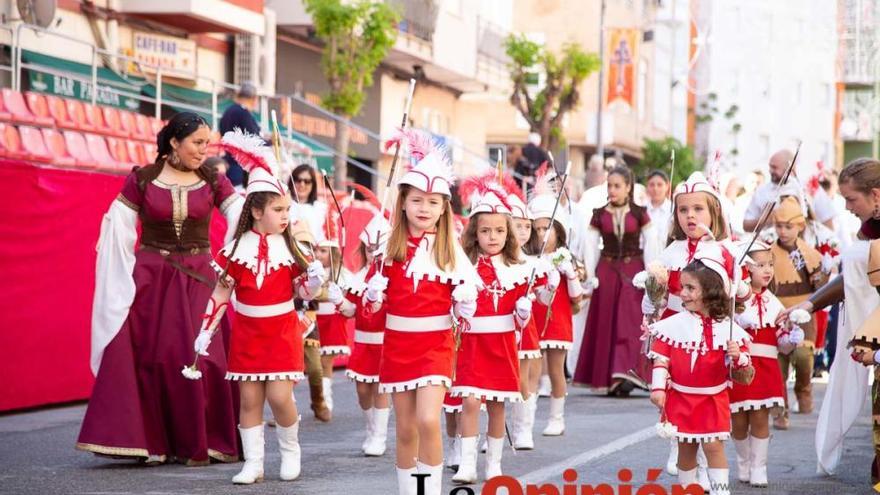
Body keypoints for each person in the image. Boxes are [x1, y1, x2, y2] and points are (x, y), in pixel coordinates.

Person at [77, 112, 244, 465]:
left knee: (206, 358)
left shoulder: (213, 180)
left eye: (206, 143)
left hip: (200, 277)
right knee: (157, 359)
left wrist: (231, 258)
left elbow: (241, 213)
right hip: (153, 278)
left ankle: (204, 439)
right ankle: (154, 442)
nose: (204, 150)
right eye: (197, 143)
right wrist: (123, 273)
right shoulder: (143, 179)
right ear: (174, 142)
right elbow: (118, 225)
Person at [187, 135, 325, 483]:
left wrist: (315, 278)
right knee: (249, 400)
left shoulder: (292, 250)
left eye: (287, 210)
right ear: (257, 211)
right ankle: (254, 463)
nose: (285, 216)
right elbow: (221, 292)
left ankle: (291, 451)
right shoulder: (236, 250)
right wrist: (206, 330)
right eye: (279, 210)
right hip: (249, 335)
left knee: (280, 397)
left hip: (280, 332)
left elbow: (305, 292)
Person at [365, 128, 480, 495]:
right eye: (417, 201)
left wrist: (464, 299)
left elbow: (468, 308)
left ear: (444, 207)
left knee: (430, 419)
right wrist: (373, 293)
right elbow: (369, 308)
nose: (424, 208)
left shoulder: (451, 252)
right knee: (406, 428)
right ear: (402, 202)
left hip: (435, 344)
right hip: (398, 345)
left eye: (433, 202)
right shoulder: (387, 248)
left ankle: (427, 492)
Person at [778, 158, 880, 481]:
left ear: (875, 195)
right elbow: (853, 275)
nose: (847, 208)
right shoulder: (871, 228)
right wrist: (809, 304)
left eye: (852, 199)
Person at [648, 248, 754, 495]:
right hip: (682, 398)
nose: (682, 293)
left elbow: (744, 371)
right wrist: (657, 389)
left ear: (710, 292)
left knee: (714, 447)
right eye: (682, 287)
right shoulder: (671, 326)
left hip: (713, 399)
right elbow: (661, 360)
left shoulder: (730, 331)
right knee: (686, 449)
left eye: (690, 288)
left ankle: (720, 491)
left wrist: (737, 357)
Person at [451, 176, 533, 483]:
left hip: (501, 344)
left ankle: (494, 464)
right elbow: (453, 311)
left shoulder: (519, 269)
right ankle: (468, 463)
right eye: (485, 231)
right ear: (475, 233)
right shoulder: (463, 267)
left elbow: (521, 321)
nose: (492, 236)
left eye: (499, 230)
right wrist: (460, 306)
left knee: (498, 405)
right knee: (470, 402)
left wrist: (522, 312)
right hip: (472, 344)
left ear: (508, 233)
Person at [574, 166, 659, 395]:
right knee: (606, 321)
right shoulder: (599, 213)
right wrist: (591, 276)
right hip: (608, 270)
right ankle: (610, 378)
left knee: (630, 323)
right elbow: (590, 247)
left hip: (634, 270)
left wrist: (652, 275)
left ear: (628, 187)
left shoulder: (640, 212)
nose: (612, 190)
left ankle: (628, 373)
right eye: (609, 185)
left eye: (617, 185)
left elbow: (651, 243)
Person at [527, 170, 585, 437]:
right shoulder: (528, 259)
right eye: (537, 229)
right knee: (533, 372)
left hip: (559, 319)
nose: (541, 234)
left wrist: (568, 273)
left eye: (546, 228)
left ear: (558, 229)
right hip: (533, 320)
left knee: (555, 370)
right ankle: (525, 421)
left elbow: (576, 296)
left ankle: (557, 417)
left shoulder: (565, 257)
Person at [730, 240, 790, 487]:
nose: (767, 270)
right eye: (761, 265)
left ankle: (759, 467)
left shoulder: (774, 302)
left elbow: (783, 343)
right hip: (741, 367)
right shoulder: (734, 302)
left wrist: (790, 336)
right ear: (745, 268)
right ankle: (743, 462)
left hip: (766, 368)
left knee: (760, 418)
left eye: (770, 265)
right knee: (739, 421)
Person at [768, 196, 828, 429]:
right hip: (777, 314)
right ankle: (780, 409)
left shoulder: (809, 254)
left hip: (803, 314)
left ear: (800, 226)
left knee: (803, 358)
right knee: (778, 365)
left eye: (788, 226)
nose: (782, 231)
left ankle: (804, 389)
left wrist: (821, 277)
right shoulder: (768, 253)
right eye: (779, 226)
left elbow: (821, 288)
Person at [286, 163, 332, 421]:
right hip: (284, 316)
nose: (302, 185)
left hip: (308, 319)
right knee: (285, 372)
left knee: (314, 368)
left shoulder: (316, 263)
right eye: (298, 180)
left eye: (307, 181)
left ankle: (318, 402)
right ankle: (286, 409)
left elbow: (323, 291)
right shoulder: (283, 259)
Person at [345, 212, 392, 457]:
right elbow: (351, 311)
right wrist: (338, 301)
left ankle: (379, 436)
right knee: (363, 391)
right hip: (363, 343)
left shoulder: (393, 277)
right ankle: (371, 427)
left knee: (381, 390)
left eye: (379, 248)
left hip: (386, 343)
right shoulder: (358, 278)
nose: (374, 253)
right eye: (370, 248)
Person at [506, 186, 544, 450]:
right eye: (517, 226)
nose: (523, 232)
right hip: (499, 326)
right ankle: (491, 430)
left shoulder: (533, 262)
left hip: (526, 325)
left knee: (527, 377)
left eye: (527, 227)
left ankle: (523, 429)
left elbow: (544, 300)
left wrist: (550, 285)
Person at [743, 149, 836, 232]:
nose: (770, 171)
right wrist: (766, 220)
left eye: (774, 167)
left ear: (790, 168)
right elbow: (746, 225)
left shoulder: (808, 187)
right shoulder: (761, 191)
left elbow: (827, 222)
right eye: (770, 166)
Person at [219, 82, 262, 188]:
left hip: (228, 161)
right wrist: (271, 142)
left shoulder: (228, 111)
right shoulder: (243, 113)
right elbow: (253, 139)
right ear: (254, 98)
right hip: (239, 166)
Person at [646, 170, 673, 248]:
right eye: (651, 185)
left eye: (660, 185)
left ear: (667, 186)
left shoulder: (674, 209)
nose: (655, 189)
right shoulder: (641, 210)